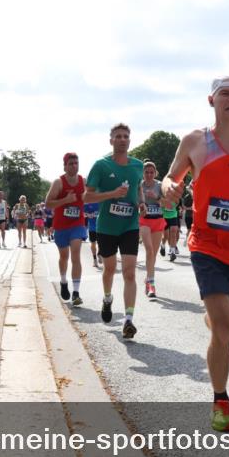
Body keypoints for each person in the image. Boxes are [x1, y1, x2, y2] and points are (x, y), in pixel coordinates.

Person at [161, 76, 229, 432]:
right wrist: (170, 189)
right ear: (212, 100)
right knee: (225, 328)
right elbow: (169, 177)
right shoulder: (196, 141)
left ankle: (213, 320)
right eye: (225, 93)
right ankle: (220, 401)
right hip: (207, 245)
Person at [85, 124, 144, 338]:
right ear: (111, 141)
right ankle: (107, 299)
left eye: (125, 136)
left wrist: (141, 202)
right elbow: (87, 197)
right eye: (118, 136)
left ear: (130, 140)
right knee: (109, 269)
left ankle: (128, 320)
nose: (122, 139)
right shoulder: (101, 165)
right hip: (107, 227)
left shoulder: (138, 166)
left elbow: (138, 189)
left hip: (130, 225)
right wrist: (111, 194)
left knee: (129, 272)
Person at [47, 152, 88, 306]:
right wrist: (66, 200)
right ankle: (64, 281)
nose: (74, 166)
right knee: (64, 257)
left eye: (76, 163)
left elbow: (92, 196)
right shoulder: (58, 182)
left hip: (77, 224)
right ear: (65, 165)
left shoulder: (83, 181)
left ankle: (76, 292)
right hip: (61, 226)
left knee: (76, 255)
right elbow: (48, 203)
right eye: (71, 163)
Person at [138, 160, 170, 299]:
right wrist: (141, 206)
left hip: (158, 220)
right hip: (144, 221)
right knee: (149, 250)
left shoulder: (159, 185)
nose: (149, 175)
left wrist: (156, 197)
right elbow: (134, 202)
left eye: (152, 172)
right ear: (143, 173)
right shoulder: (139, 185)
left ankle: (148, 278)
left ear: (155, 173)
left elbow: (168, 204)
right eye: (146, 172)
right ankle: (152, 285)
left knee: (153, 255)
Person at [163, 193, 181, 262]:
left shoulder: (176, 196)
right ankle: (163, 246)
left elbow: (178, 204)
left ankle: (173, 252)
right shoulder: (162, 196)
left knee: (173, 234)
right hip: (165, 217)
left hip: (173, 216)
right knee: (165, 236)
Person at [84, 200, 101, 267]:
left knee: (101, 243)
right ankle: (94, 260)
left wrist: (96, 214)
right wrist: (88, 215)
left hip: (101, 226)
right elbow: (82, 213)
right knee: (93, 243)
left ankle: (99, 253)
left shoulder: (100, 201)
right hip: (92, 227)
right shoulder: (87, 203)